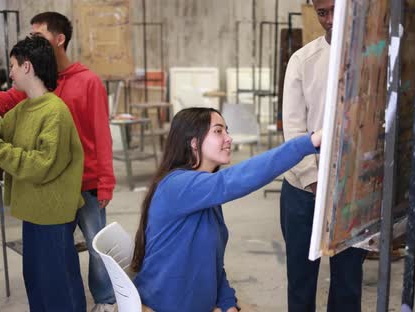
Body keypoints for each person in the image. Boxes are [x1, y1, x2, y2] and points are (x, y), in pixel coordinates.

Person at [130, 107, 322, 312]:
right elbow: (238, 178)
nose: (228, 138)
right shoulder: (177, 185)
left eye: (226, 131)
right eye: (218, 131)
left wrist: (228, 303)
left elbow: (213, 264)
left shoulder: (206, 197)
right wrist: (307, 143)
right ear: (194, 143)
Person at [0, 12, 116, 312]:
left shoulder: (88, 82)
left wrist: (106, 181)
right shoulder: (35, 87)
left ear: (59, 40)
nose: (33, 39)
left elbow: (102, 133)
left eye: (39, 35)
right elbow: (4, 104)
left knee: (97, 248)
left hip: (86, 180)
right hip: (51, 185)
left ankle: (105, 299)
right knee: (56, 254)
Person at [0, 36, 86, 311]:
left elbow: (42, 165)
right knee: (36, 280)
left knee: (57, 284)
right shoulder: (25, 108)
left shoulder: (55, 112)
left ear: (27, 67)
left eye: (13, 65)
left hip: (53, 214)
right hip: (34, 212)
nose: (10, 72)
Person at [280, 0, 368, 311]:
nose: (329, 20)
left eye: (335, 10)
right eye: (322, 12)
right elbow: (293, 129)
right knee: (301, 283)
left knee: (347, 284)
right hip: (304, 192)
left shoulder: (372, 56)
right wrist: (315, 182)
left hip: (353, 192)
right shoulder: (302, 61)